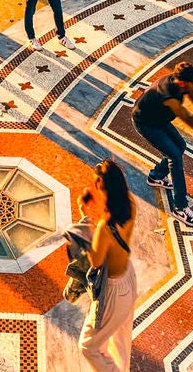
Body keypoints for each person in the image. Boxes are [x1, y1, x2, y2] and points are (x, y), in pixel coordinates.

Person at [76, 159, 137, 372]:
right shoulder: (130, 204)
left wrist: (85, 218)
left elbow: (96, 260)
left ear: (103, 187)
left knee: (88, 346)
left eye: (96, 184)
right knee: (120, 338)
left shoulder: (105, 228)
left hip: (113, 292)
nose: (94, 188)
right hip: (129, 278)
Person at [135, 62, 193, 226]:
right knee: (174, 156)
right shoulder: (170, 98)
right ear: (184, 83)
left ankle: (155, 176)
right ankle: (180, 207)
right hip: (146, 123)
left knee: (180, 147)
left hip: (158, 120)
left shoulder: (179, 84)